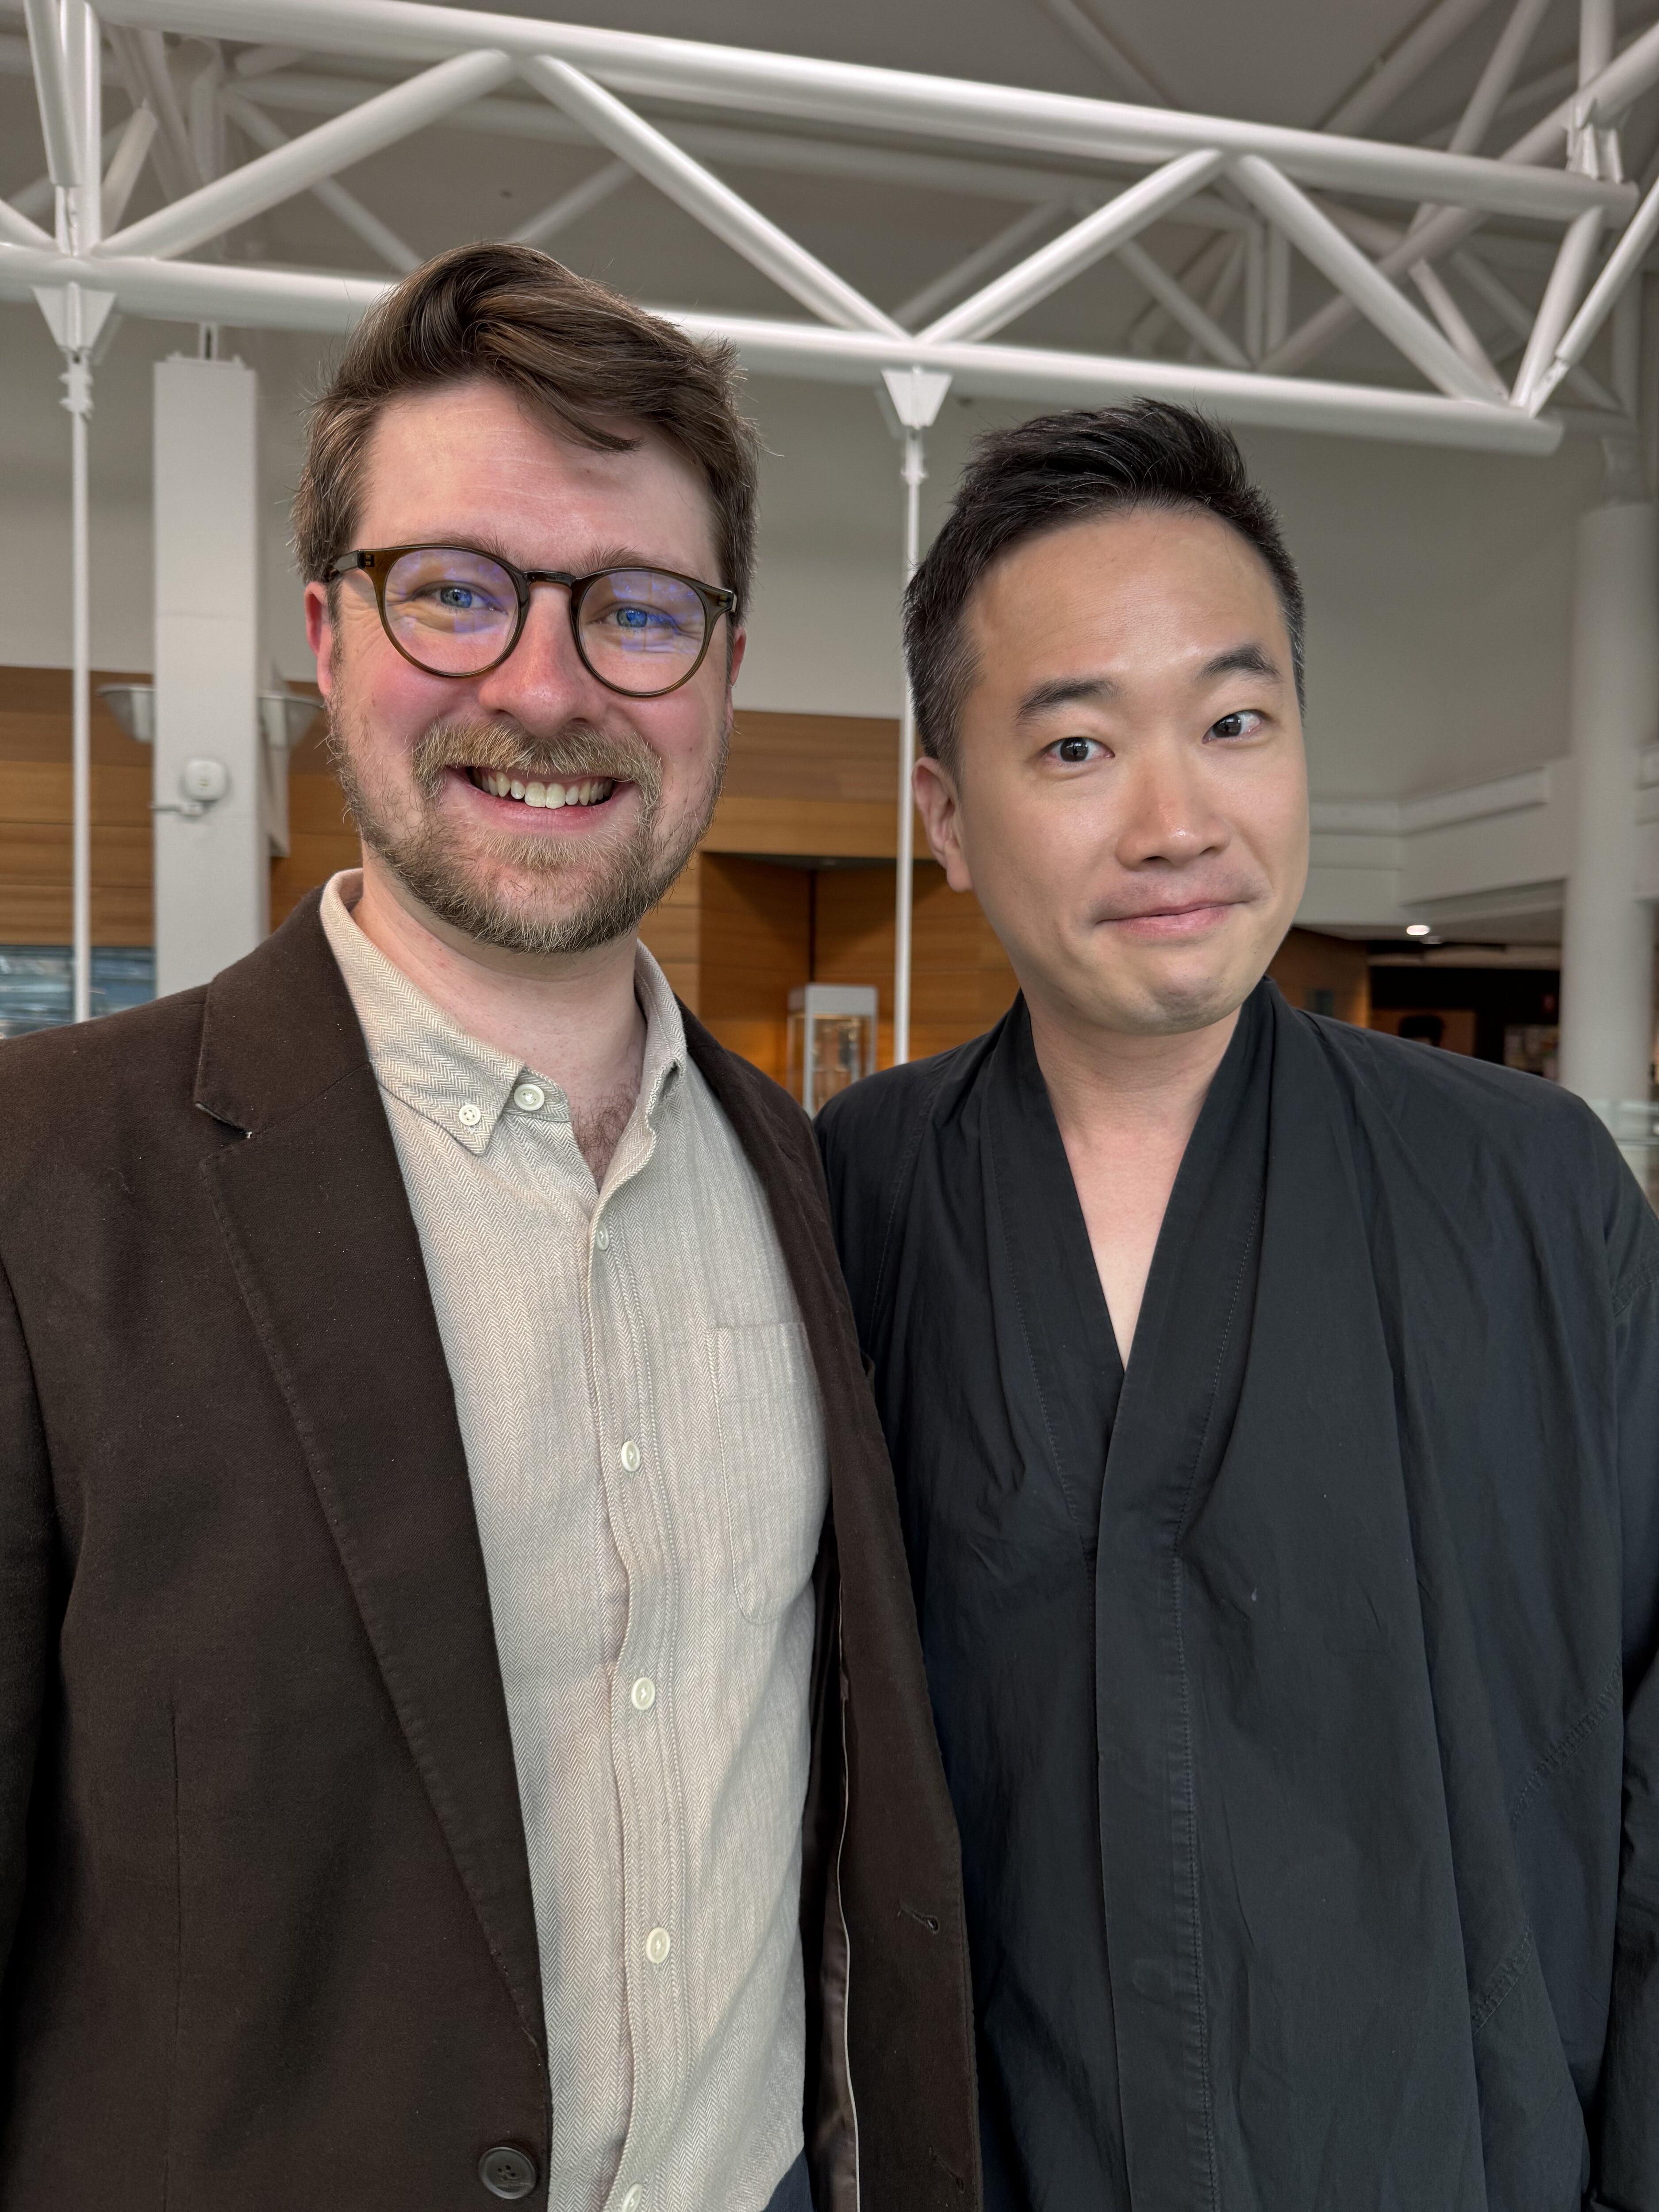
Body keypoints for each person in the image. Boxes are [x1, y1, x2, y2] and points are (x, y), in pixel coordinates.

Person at [0, 245, 978, 2212]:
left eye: (633, 610)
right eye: (454, 588)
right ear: (321, 631)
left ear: (715, 666)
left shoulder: (813, 1181)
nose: (542, 684)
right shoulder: (50, 1178)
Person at [818, 400, 1659, 2211]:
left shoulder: (1529, 1194)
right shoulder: (849, 1202)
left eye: (1230, 720)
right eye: (1071, 744)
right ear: (944, 817)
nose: (1174, 816)